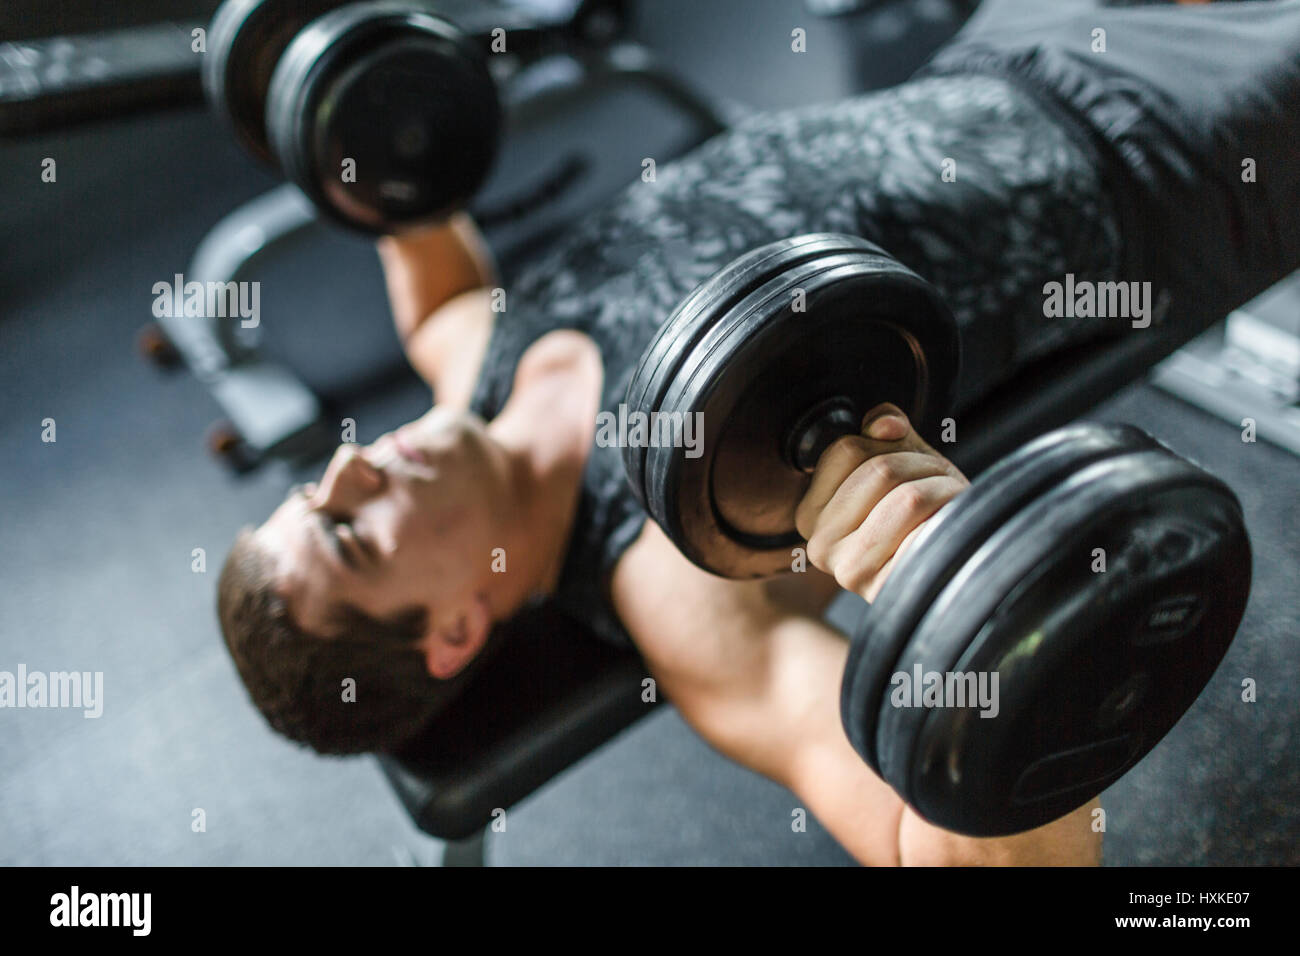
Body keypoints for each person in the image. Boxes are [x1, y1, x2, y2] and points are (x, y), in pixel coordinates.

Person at [217, 0, 1300, 865]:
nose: (353, 465)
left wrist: (352, 120)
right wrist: (975, 614)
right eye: (351, 534)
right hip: (1167, 163)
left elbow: (415, 219)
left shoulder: (467, 365)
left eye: (318, 488)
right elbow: (933, 843)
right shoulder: (681, 587)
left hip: (994, 62)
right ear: (452, 626)